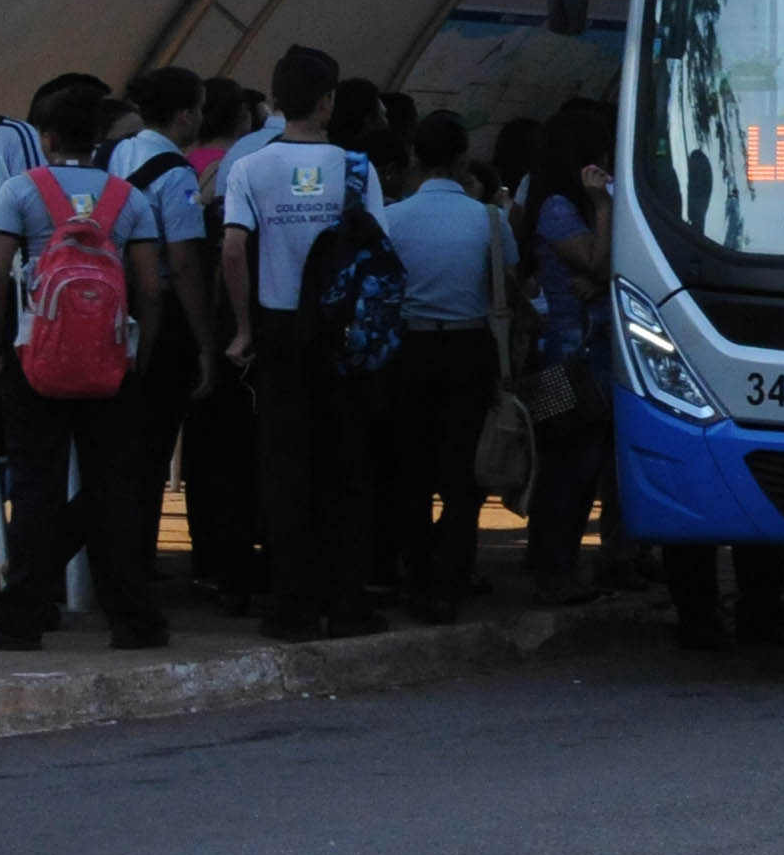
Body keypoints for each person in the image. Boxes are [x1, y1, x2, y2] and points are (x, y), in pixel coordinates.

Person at [0, 81, 169, 652]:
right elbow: (149, 287)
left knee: (36, 487)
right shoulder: (129, 198)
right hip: (110, 365)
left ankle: (20, 617)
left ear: (45, 137)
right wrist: (137, 357)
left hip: (38, 361)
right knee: (113, 489)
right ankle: (134, 620)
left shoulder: (21, 192)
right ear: (99, 138)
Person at [221, 46, 385, 642]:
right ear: (328, 101)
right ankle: (347, 604)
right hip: (342, 334)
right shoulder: (358, 169)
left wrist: (243, 329)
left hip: (280, 329)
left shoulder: (249, 169)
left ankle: (292, 606)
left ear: (275, 100)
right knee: (346, 470)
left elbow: (234, 249)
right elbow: (379, 254)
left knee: (285, 470)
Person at [375, 113, 507, 622]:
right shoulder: (488, 221)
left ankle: (416, 576)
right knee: (462, 476)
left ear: (414, 159)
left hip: (407, 351)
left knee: (410, 469)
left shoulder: (392, 219)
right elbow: (507, 286)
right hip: (469, 350)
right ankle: (450, 582)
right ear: (462, 157)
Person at [108, 69, 223, 603]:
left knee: (120, 443)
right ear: (183, 115)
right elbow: (183, 262)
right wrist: (204, 341)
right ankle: (137, 558)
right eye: (198, 108)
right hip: (160, 316)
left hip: (112, 309)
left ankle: (115, 552)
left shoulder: (117, 154)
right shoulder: (175, 173)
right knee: (154, 443)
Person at [516, 101, 617, 608]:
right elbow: (600, 265)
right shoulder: (560, 208)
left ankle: (559, 564)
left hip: (581, 348)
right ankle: (552, 568)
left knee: (580, 462)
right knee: (568, 464)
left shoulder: (556, 204)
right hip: (566, 352)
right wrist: (602, 207)